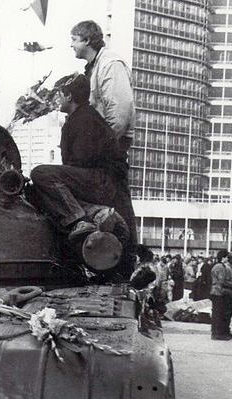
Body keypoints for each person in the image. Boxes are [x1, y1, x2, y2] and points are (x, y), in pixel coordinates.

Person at [29, 74, 131, 276]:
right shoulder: (84, 117)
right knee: (41, 190)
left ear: (69, 96)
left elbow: (82, 160)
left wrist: (64, 177)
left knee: (40, 174)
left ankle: (79, 221)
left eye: (60, 95)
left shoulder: (83, 120)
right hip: (99, 180)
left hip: (99, 180)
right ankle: (94, 213)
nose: (58, 99)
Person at [70, 20, 138, 271]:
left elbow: (119, 113)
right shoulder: (95, 65)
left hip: (110, 149)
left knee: (118, 205)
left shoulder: (110, 64)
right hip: (105, 147)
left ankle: (124, 263)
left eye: (75, 39)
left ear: (87, 40)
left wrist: (98, 148)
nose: (72, 44)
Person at [210, 249, 232, 340]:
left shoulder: (218, 266)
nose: (227, 259)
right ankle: (218, 333)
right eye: (226, 257)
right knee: (219, 314)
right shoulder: (220, 267)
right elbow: (222, 281)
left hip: (217, 292)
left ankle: (219, 332)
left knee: (218, 313)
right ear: (223, 257)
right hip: (219, 292)